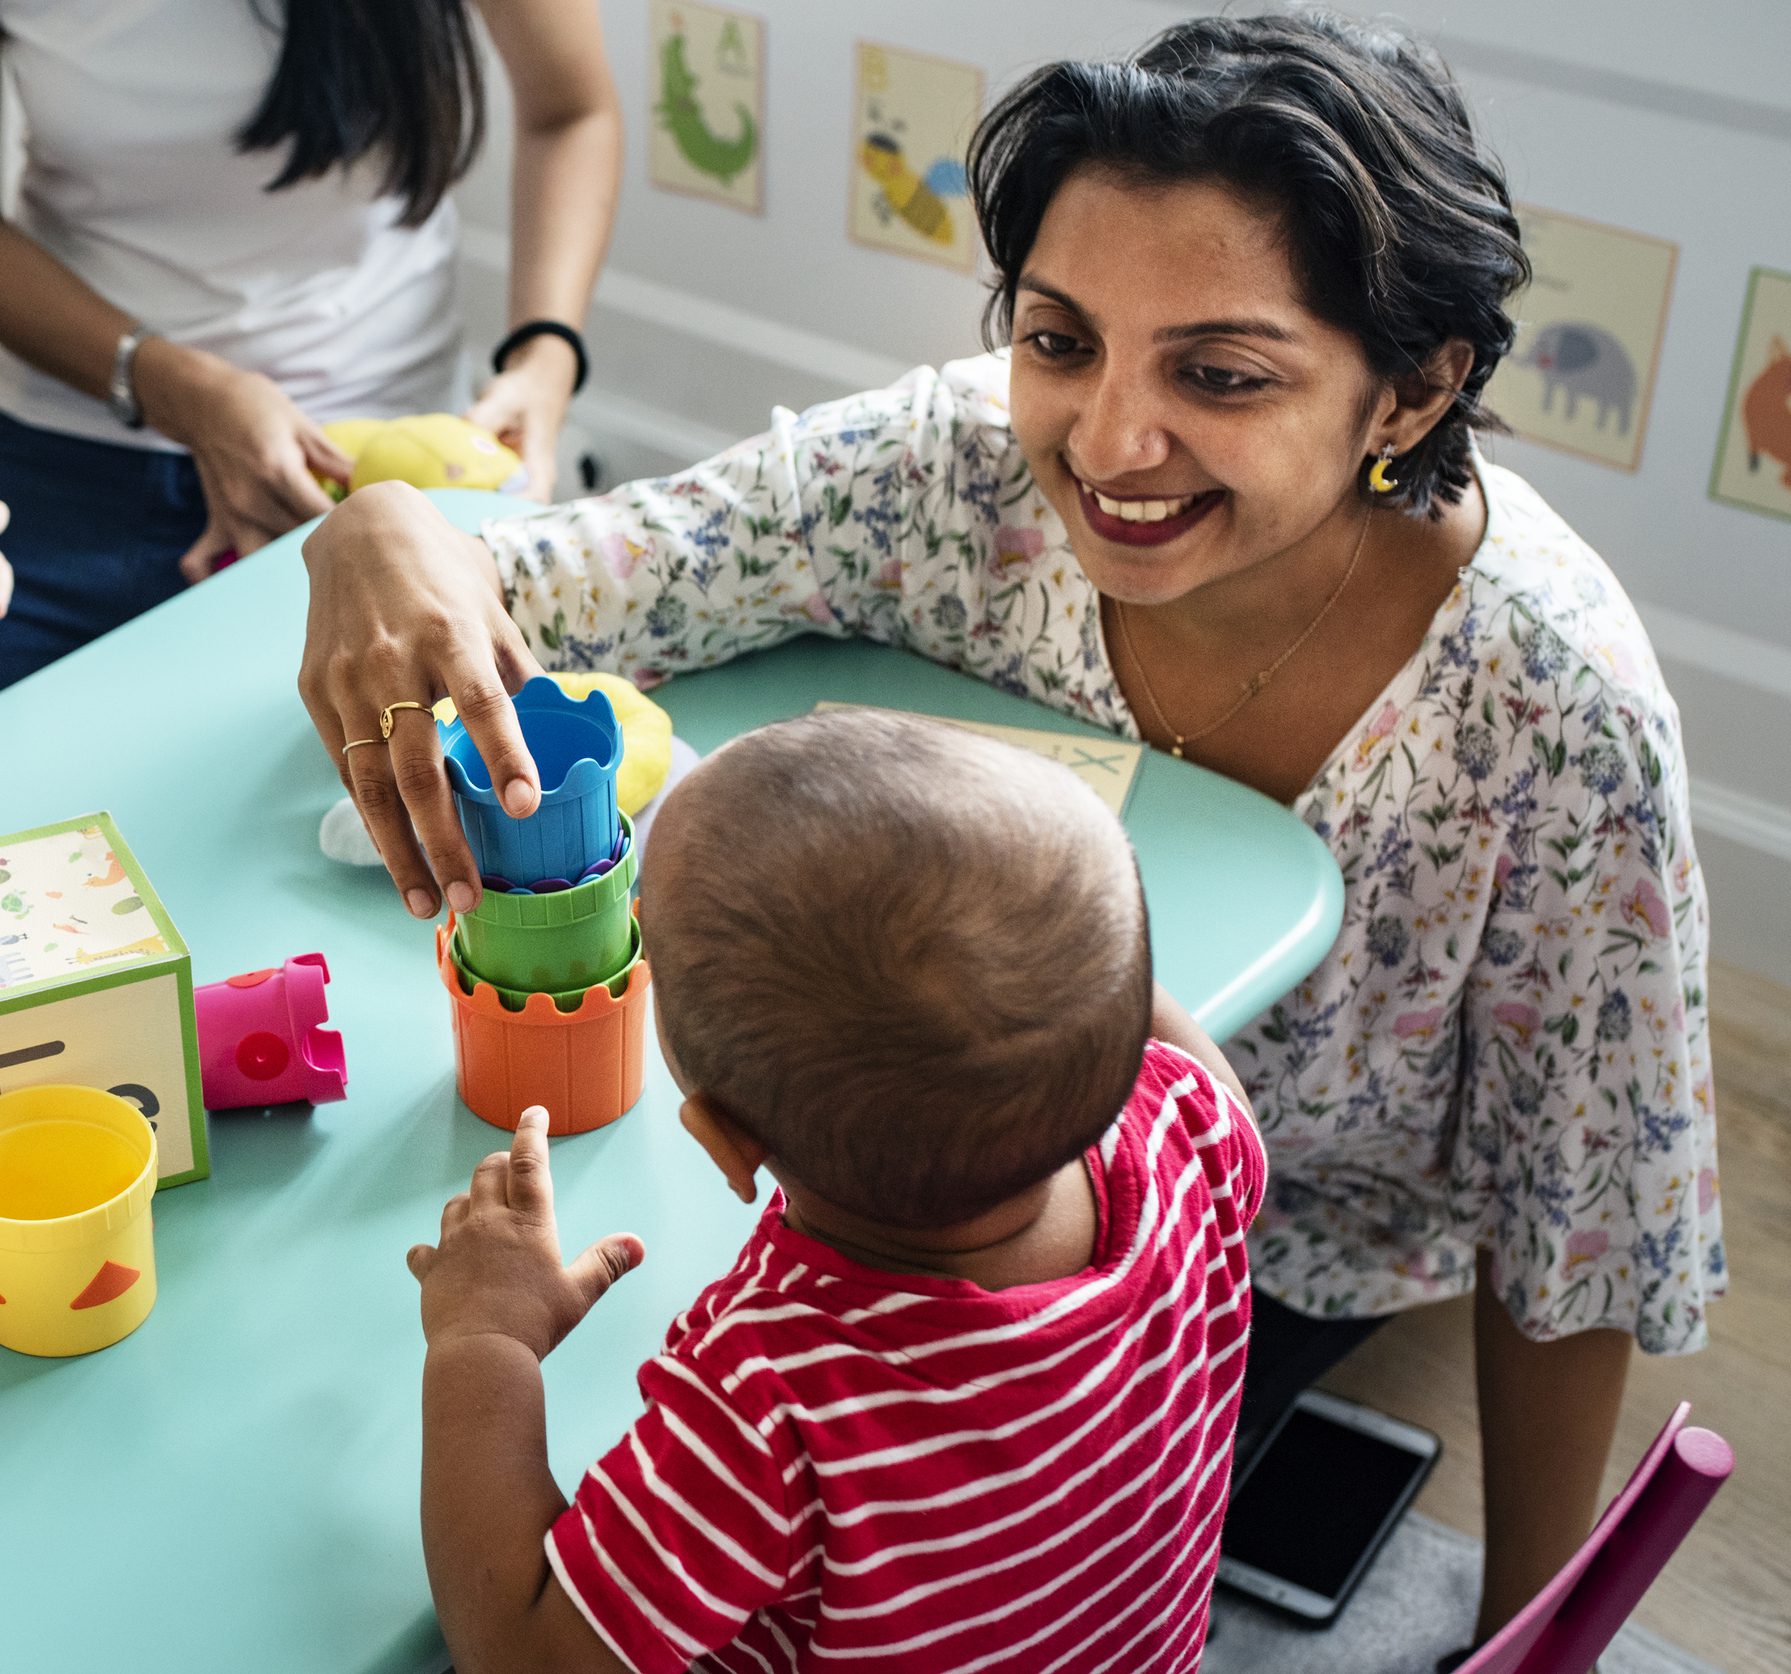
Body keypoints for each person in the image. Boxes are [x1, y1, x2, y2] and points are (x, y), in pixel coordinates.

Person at [300, 11, 1722, 1658]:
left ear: (1414, 386)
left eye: (1220, 373)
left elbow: (1581, 1221)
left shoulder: (1555, 708)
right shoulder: (944, 470)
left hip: (1281, 1258)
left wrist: (1528, 1624)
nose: (1108, 444)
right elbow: (559, 577)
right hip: (953, 1180)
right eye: (1058, 338)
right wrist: (385, 526)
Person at [409, 709, 1265, 1672]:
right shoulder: (1190, 1131)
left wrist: (484, 1338)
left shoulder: (774, 1402)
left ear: (730, 1147)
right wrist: (1055, 938)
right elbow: (1160, 1046)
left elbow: (520, 1650)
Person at [0, 0, 621, 687]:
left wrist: (546, 354)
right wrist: (172, 386)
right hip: (66, 460)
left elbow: (571, 112)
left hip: (386, 462)